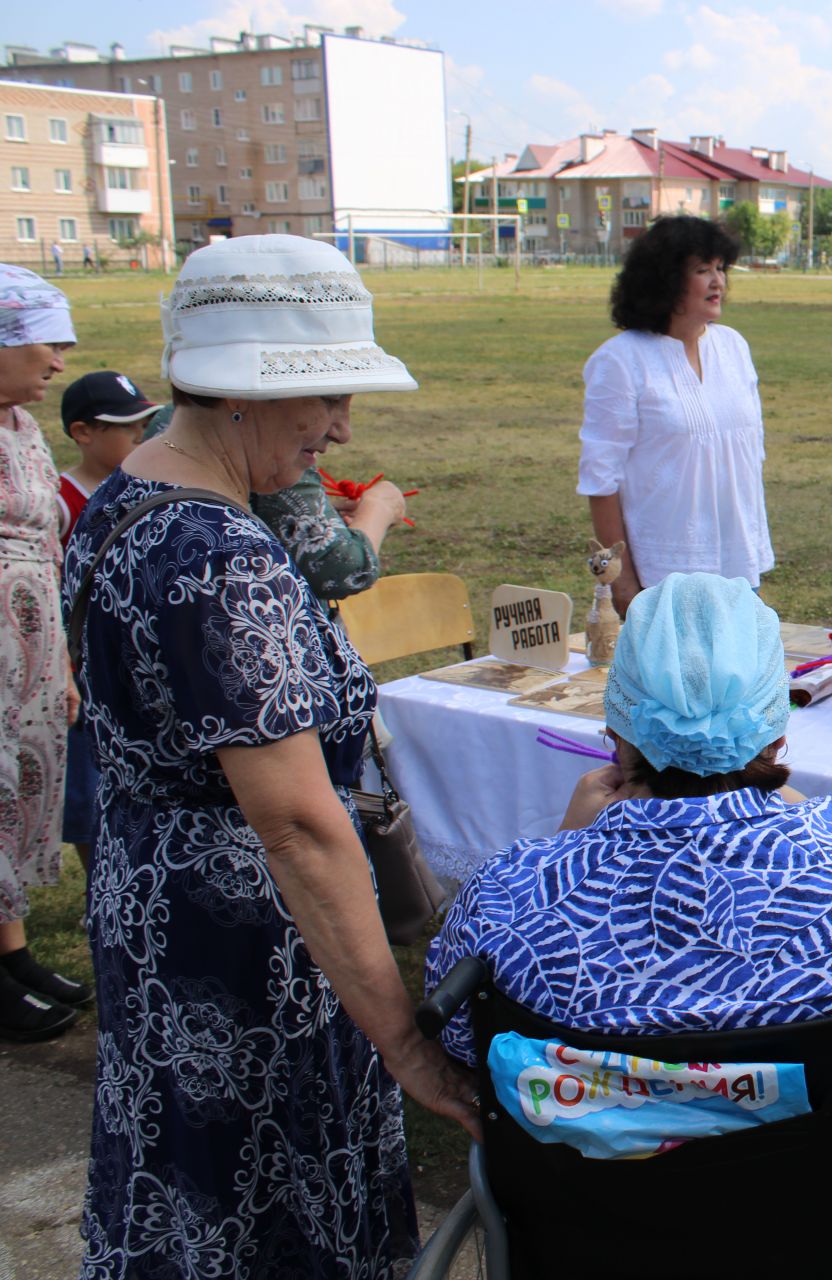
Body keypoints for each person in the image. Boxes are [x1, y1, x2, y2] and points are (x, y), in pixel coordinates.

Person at [63, 235, 478, 1278]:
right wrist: (403, 1038)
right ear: (239, 394)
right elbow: (293, 820)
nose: (342, 425)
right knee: (266, 1208)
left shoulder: (129, 495)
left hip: (156, 910)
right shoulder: (222, 557)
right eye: (325, 396)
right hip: (253, 952)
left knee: (186, 1187)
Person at [425, 572, 832, 1172]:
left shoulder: (510, 892)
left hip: (590, 1226)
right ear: (778, 734)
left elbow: (457, 1039)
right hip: (828, 1214)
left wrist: (566, 846)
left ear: (613, 731)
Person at [578, 215, 773, 615]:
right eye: (703, 270)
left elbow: (749, 458)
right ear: (665, 281)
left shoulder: (734, 347)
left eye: (721, 268)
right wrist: (624, 582)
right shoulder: (621, 360)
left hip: (738, 569)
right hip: (663, 577)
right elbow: (601, 479)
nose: (718, 281)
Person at [0, 265, 87, 1042]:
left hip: (29, 647)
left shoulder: (23, 430)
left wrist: (58, 661)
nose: (58, 364)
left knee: (22, 800)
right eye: (45, 345)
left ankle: (13, 953)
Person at [56, 372, 164, 874]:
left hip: (131, 652)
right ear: (83, 433)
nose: (139, 437)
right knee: (86, 777)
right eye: (126, 427)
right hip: (79, 658)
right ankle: (98, 874)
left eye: (144, 424)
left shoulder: (144, 489)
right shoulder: (61, 497)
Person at [143, 405, 411, 604]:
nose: (343, 432)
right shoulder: (267, 439)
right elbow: (337, 567)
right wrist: (379, 508)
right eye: (329, 400)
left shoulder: (175, 424)